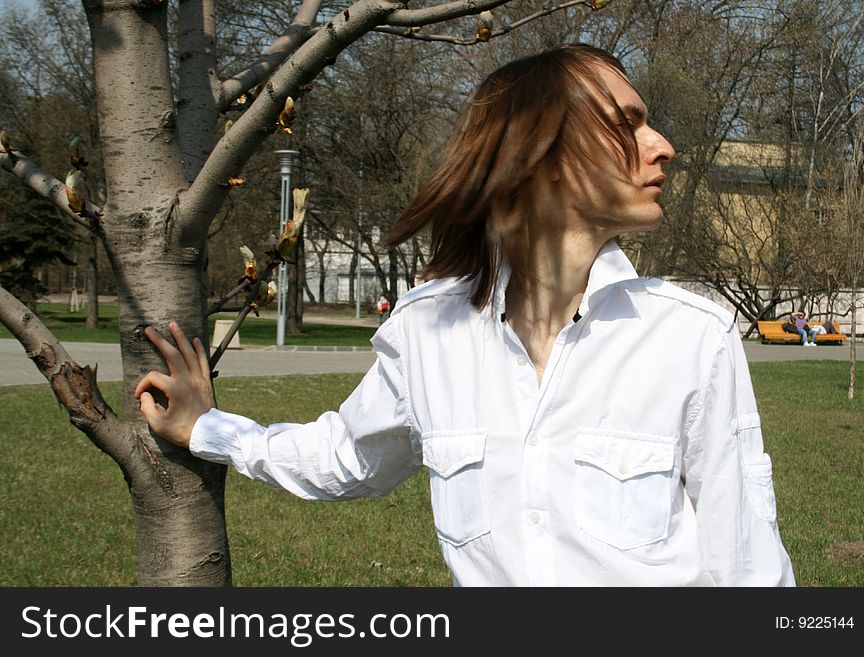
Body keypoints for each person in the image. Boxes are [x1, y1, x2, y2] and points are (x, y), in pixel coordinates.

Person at [136, 44, 794, 586]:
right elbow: (342, 457)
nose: (664, 146)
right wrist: (207, 427)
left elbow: (749, 564)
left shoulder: (690, 338)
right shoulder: (429, 335)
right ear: (542, 149)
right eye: (628, 123)